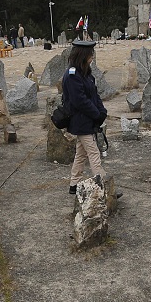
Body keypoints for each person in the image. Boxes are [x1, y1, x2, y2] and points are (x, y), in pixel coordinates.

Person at [62, 40, 108, 195]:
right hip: (80, 121)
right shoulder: (72, 75)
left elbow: (94, 95)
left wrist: (102, 111)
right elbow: (79, 101)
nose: (93, 57)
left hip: (87, 120)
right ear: (82, 55)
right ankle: (103, 187)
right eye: (90, 54)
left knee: (81, 154)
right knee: (94, 153)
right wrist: (96, 114)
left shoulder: (85, 73)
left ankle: (74, 184)